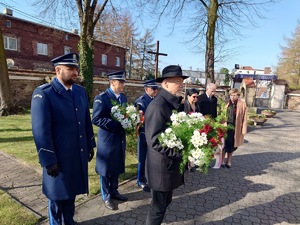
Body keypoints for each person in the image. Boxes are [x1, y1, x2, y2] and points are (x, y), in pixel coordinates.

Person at [31, 53, 96, 225]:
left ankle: (69, 221)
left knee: (71, 192)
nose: (75, 72)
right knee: (57, 198)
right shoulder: (44, 94)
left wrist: (90, 144)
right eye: (71, 69)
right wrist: (48, 159)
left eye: (76, 69)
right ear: (58, 70)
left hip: (76, 154)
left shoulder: (80, 92)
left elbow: (85, 121)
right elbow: (40, 130)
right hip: (58, 158)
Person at [144, 65, 189, 225]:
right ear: (165, 84)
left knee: (164, 203)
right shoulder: (158, 106)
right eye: (177, 81)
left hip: (169, 166)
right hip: (161, 168)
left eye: (181, 81)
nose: (181, 84)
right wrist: (180, 154)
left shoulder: (171, 104)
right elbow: (154, 140)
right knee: (158, 208)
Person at [92, 70, 128, 211]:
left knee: (117, 165)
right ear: (112, 82)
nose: (123, 84)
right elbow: (96, 118)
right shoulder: (102, 98)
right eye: (121, 82)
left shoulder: (123, 98)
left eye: (123, 81)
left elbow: (125, 114)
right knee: (106, 168)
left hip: (119, 137)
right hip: (108, 138)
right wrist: (115, 123)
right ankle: (106, 196)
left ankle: (114, 190)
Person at [134, 79, 159, 192]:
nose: (155, 91)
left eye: (156, 89)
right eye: (153, 89)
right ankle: (141, 180)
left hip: (154, 133)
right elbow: (139, 119)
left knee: (152, 158)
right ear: (146, 89)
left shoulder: (156, 100)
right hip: (144, 133)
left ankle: (149, 178)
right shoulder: (141, 102)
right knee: (142, 158)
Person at [221, 88, 247, 168]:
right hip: (226, 126)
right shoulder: (226, 103)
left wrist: (244, 129)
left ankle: (229, 161)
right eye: (231, 95)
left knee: (232, 145)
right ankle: (222, 161)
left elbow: (245, 118)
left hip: (236, 128)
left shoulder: (242, 104)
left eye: (234, 95)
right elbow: (221, 115)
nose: (232, 97)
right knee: (224, 144)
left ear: (238, 96)